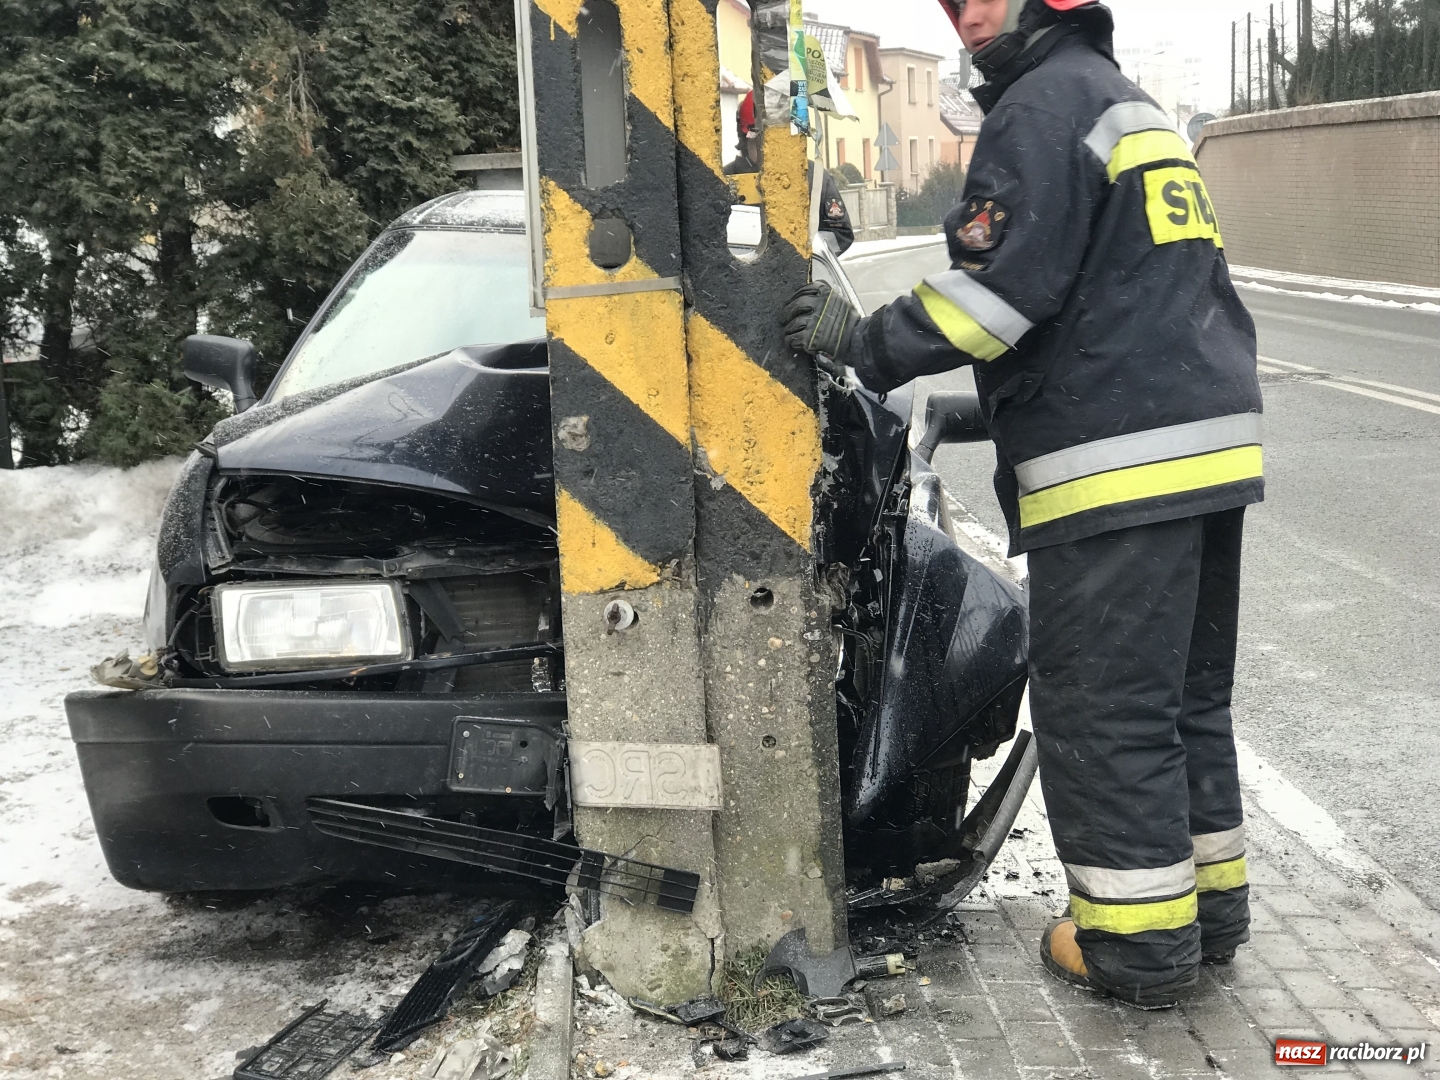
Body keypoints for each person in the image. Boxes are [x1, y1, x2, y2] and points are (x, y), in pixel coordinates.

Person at [783, 0, 1262, 1009]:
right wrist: (1010, 406)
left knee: (1104, 712)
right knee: (1183, 703)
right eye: (952, 8)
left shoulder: (1039, 109)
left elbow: (993, 300)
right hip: (1204, 456)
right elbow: (1111, 311)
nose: (965, 25)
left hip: (1117, 479)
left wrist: (861, 341)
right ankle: (1208, 919)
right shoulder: (1124, 107)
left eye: (981, 1)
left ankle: (1139, 951)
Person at [724, 90, 854, 254]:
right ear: (744, 139)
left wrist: (799, 253)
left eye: (779, 141)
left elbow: (841, 235)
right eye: (761, 142)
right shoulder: (725, 180)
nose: (770, 151)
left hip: (803, 277)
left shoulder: (814, 177)